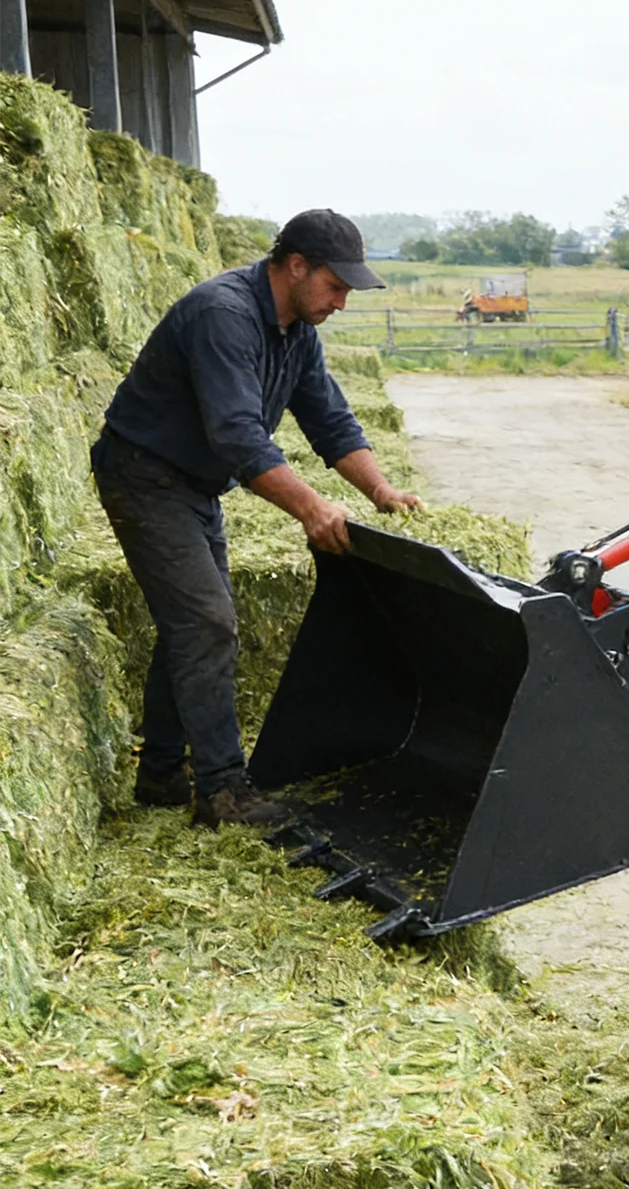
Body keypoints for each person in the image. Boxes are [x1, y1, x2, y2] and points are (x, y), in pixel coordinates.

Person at [91, 209, 420, 827]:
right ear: (296, 266)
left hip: (194, 484)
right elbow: (238, 437)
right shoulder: (224, 315)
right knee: (206, 623)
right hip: (144, 475)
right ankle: (223, 793)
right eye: (336, 286)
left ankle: (160, 772)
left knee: (194, 625)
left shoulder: (296, 332)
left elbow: (330, 420)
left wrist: (382, 491)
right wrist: (312, 508)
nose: (342, 302)